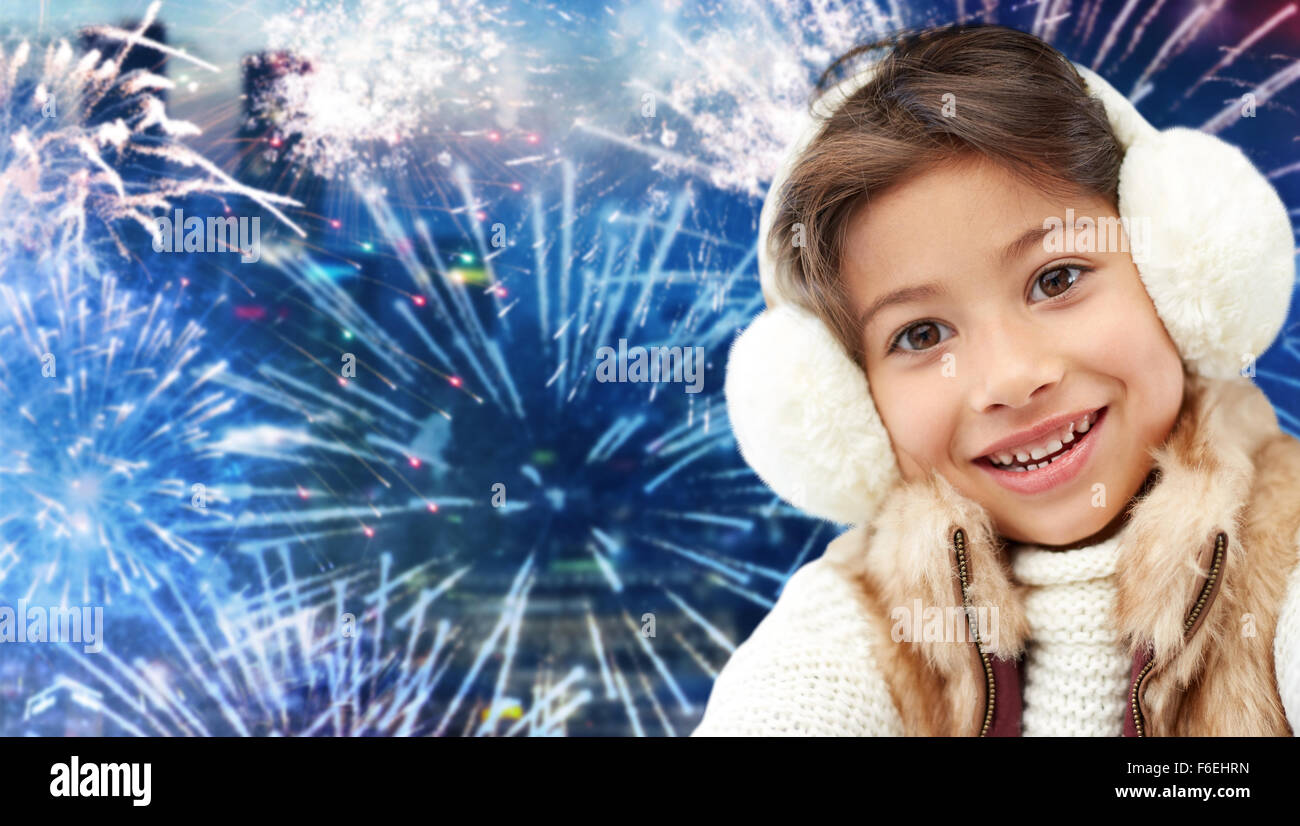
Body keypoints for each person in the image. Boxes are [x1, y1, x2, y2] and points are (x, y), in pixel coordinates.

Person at [694, 24, 1300, 736]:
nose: (1011, 379)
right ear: (852, 400)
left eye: (1057, 278)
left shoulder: (1283, 552)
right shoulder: (857, 621)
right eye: (921, 335)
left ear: (1172, 266)